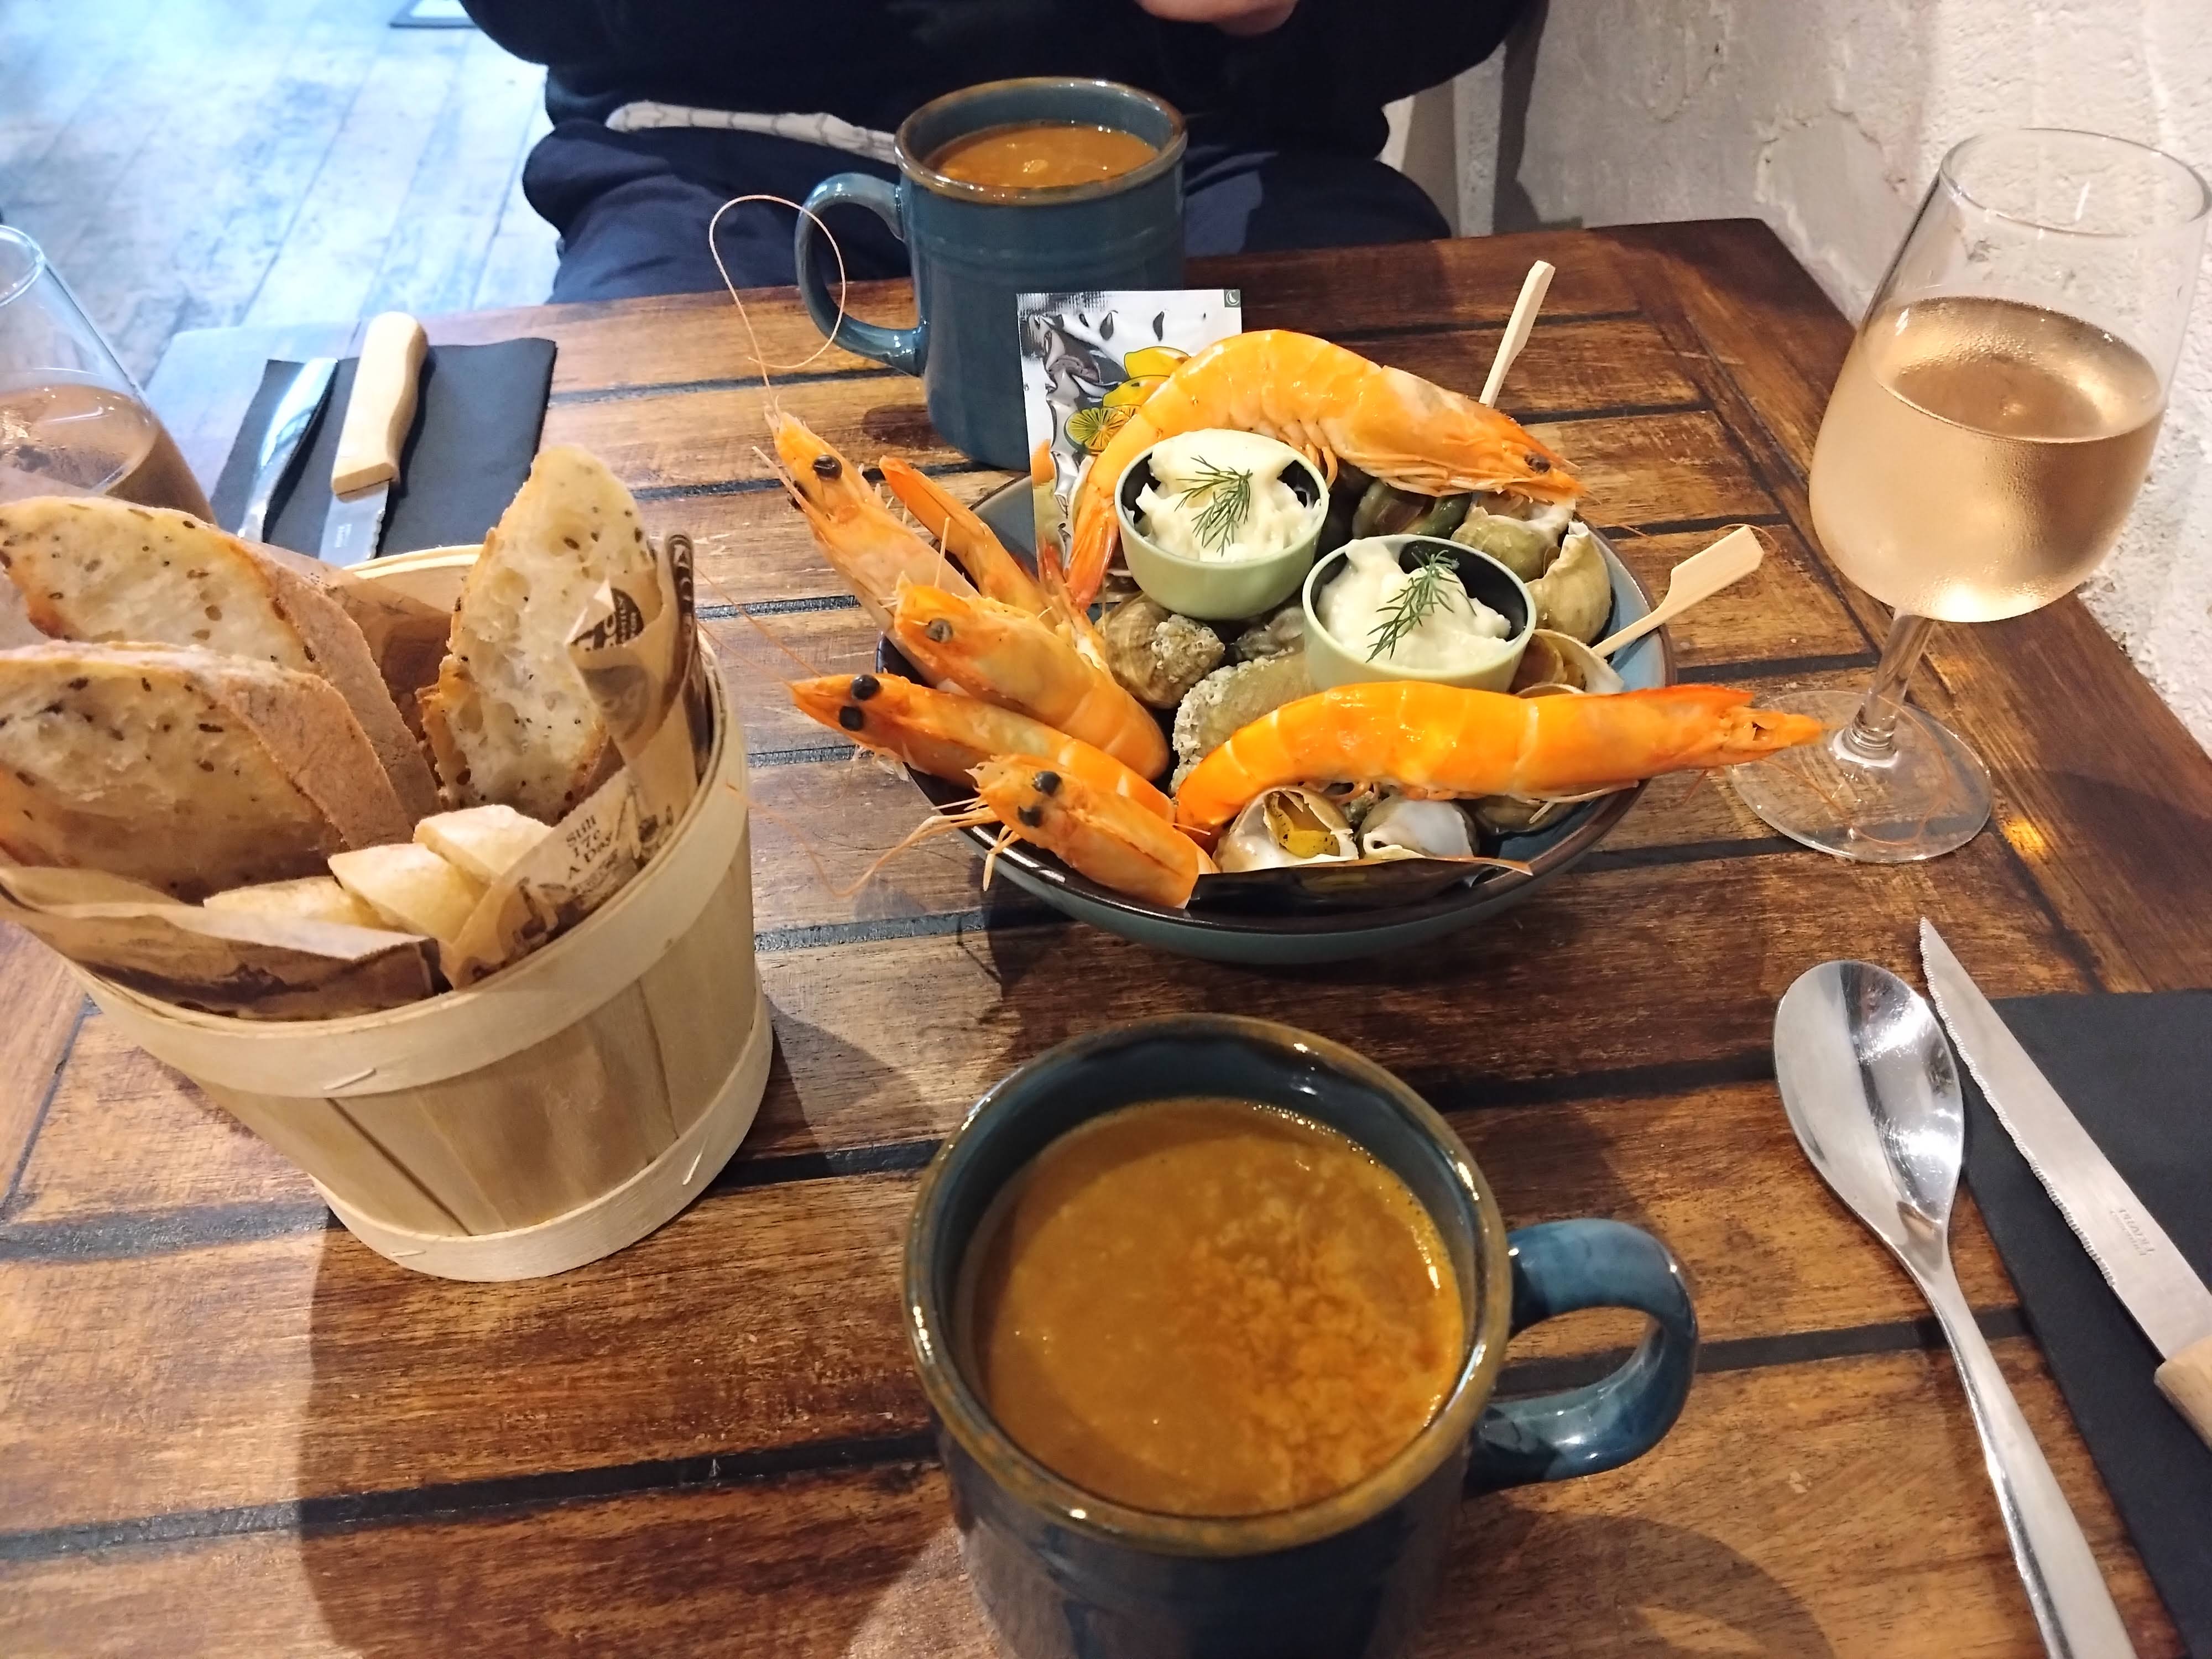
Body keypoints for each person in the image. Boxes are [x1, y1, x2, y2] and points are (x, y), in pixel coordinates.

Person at [461, 0, 1522, 302]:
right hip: (712, 162)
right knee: (650, 536)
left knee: (1353, 494)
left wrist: (1282, 12)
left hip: (1199, 157)